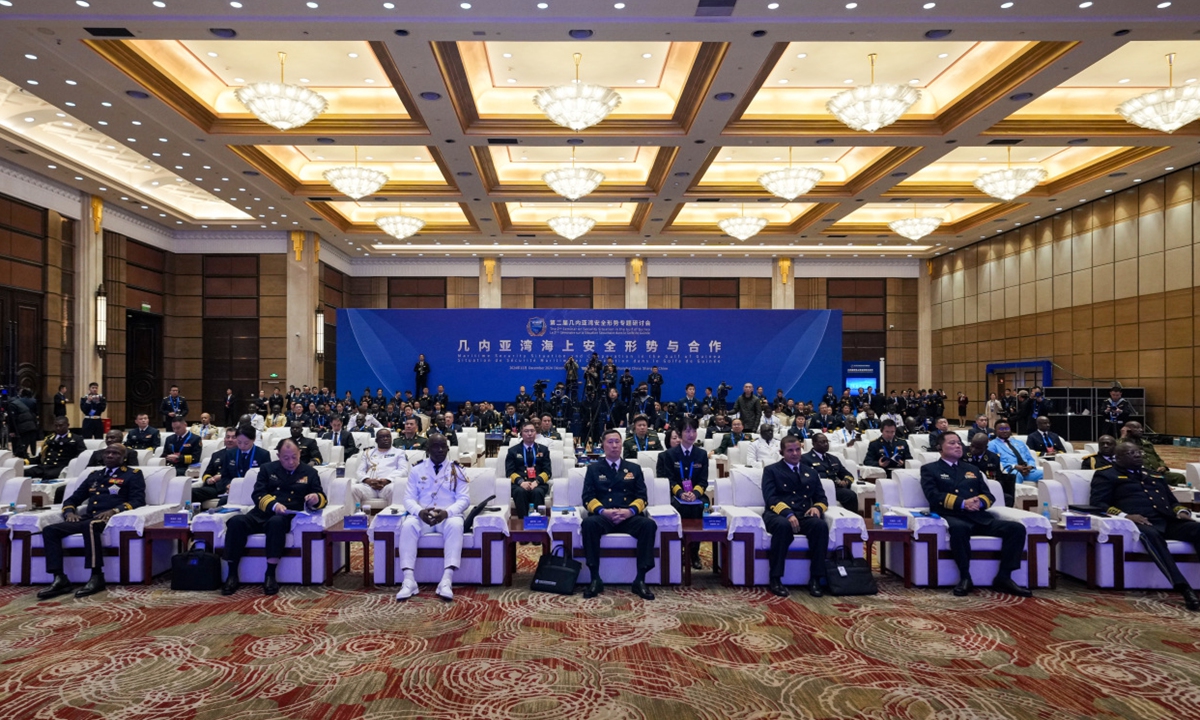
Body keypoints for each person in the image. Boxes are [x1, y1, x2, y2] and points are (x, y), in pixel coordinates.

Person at [1090, 441, 1200, 611]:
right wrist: (1126, 516)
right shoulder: (1106, 475)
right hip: (1139, 523)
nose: (1138, 455)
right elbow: (1098, 503)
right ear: (1117, 457)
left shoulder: (1153, 475)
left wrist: (1181, 512)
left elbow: (1173, 502)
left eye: (1138, 452)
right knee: (1152, 536)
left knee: (1197, 529)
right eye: (1131, 453)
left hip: (1166, 521)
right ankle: (1184, 588)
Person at [920, 433, 1031, 598]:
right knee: (959, 528)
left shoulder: (972, 469)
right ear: (939, 447)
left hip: (979, 517)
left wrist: (979, 502)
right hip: (952, 515)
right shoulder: (930, 469)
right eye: (952, 443)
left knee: (1016, 528)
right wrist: (963, 503)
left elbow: (989, 495)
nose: (958, 446)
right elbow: (933, 496)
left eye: (959, 443)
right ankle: (965, 577)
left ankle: (1004, 577)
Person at [36, 445, 146, 600]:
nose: (109, 455)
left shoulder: (132, 474)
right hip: (88, 518)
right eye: (107, 452)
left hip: (110, 520)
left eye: (115, 453)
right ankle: (59, 577)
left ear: (124, 457)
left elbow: (138, 500)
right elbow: (73, 499)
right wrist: (69, 512)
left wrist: (114, 511)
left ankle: (96, 575)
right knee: (50, 530)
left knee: (91, 525)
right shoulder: (94, 475)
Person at [222, 439, 326, 596]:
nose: (291, 462)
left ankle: (270, 574)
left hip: (285, 516)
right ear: (278, 455)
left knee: (276, 523)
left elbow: (322, 497)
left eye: (294, 457)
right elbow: (258, 494)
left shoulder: (309, 472)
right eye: (286, 458)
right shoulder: (267, 469)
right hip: (261, 513)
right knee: (236, 522)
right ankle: (231, 574)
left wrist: (315, 498)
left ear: (300, 454)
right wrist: (273, 504)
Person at [581, 429, 657, 600]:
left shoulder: (634, 468)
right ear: (602, 445)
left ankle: (640, 580)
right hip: (604, 516)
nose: (614, 446)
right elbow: (587, 497)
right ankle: (595, 578)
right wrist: (603, 511)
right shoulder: (593, 469)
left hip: (627, 515)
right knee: (588, 524)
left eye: (617, 442)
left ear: (622, 444)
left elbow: (642, 497)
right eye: (610, 442)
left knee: (648, 525)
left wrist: (629, 511)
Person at [396, 434, 469, 601]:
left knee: (456, 524)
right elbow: (408, 499)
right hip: (424, 516)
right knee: (408, 525)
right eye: (436, 446)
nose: (440, 450)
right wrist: (419, 512)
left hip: (447, 516)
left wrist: (447, 512)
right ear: (427, 449)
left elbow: (464, 499)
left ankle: (446, 580)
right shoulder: (416, 469)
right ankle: (408, 580)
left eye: (444, 447)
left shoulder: (457, 470)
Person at [761, 434, 829, 598]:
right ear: (782, 452)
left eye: (798, 449)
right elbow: (770, 498)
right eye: (790, 450)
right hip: (778, 514)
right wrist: (788, 513)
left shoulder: (810, 472)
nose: (795, 453)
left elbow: (822, 498)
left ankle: (815, 578)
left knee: (820, 526)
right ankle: (776, 578)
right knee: (783, 526)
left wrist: (818, 509)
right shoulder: (772, 470)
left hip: (803, 514)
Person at [662, 418, 709, 570]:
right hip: (676, 495)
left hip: (695, 494)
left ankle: (694, 552)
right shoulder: (669, 455)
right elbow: (668, 480)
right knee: (677, 507)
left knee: (703, 505)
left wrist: (695, 493)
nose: (691, 434)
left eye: (694, 430)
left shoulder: (701, 454)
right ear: (680, 434)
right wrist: (681, 493)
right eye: (687, 431)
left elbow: (703, 481)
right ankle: (679, 550)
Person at [195, 425, 269, 505]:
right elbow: (225, 476)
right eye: (239, 442)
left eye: (246, 443)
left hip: (253, 490)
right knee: (223, 502)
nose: (242, 446)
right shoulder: (230, 453)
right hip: (233, 490)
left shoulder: (263, 454)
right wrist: (228, 485)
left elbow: (266, 478)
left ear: (253, 439)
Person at [353, 428, 409, 509]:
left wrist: (387, 480)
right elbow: (359, 471)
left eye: (388, 436)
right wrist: (368, 480)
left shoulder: (399, 453)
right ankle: (355, 518)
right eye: (382, 437)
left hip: (388, 486)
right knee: (353, 489)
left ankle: (392, 517)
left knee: (394, 489)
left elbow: (403, 470)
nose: (386, 439)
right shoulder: (368, 453)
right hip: (369, 486)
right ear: (376, 440)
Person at [505, 421, 552, 518]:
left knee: (537, 492)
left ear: (536, 433)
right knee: (520, 492)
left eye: (532, 431)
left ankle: (538, 522)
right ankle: (522, 522)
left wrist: (537, 482)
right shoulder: (513, 451)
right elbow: (509, 472)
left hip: (538, 483)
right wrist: (521, 482)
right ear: (521, 433)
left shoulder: (543, 450)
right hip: (519, 484)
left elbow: (547, 471)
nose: (529, 434)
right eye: (526, 431)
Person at [803, 433, 857, 513]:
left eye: (827, 442)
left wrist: (845, 481)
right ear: (813, 443)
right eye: (822, 442)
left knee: (850, 495)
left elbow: (848, 474)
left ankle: (851, 520)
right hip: (818, 489)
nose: (825, 444)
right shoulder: (805, 458)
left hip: (835, 488)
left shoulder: (833, 458)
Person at [1121, 421, 1185, 485]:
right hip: (1142, 473)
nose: (1141, 430)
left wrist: (1163, 466)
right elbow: (1118, 449)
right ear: (1128, 430)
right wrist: (1123, 436)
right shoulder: (1124, 445)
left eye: (1141, 428)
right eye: (1136, 428)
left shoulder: (1147, 443)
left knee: (1179, 477)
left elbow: (1157, 458)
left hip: (1157, 472)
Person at [25, 416, 87, 480]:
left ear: (67, 425)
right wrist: (26, 461)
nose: (58, 428)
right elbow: (41, 457)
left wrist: (72, 465)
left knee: (48, 475)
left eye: (61, 426)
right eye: (56, 426)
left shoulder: (76, 439)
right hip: (46, 466)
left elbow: (82, 455)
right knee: (25, 472)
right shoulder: (49, 438)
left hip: (61, 467)